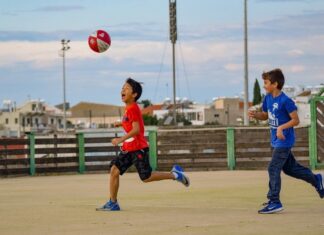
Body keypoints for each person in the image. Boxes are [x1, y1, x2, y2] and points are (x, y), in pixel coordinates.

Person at [97, 78, 190, 211]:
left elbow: (136, 130)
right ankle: (113, 203)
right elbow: (131, 123)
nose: (122, 90)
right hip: (129, 149)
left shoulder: (133, 108)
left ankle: (175, 174)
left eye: (126, 88)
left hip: (138, 149)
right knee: (114, 170)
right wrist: (120, 123)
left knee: (146, 177)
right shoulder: (128, 108)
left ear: (134, 95)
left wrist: (120, 139)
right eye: (122, 88)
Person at [248, 68, 324, 214]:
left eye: (266, 82)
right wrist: (255, 115)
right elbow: (265, 115)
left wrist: (281, 128)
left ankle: (274, 201)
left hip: (284, 141)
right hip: (275, 140)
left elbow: (296, 120)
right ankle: (317, 180)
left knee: (273, 168)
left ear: (275, 84)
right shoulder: (268, 98)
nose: (264, 85)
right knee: (290, 169)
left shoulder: (286, 101)